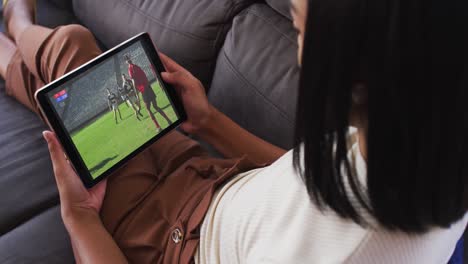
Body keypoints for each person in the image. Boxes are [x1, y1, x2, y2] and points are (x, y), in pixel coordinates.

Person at [0, 0, 466, 263]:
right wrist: (210, 123)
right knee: (83, 78)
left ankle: (15, 27)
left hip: (168, 240)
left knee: (71, 52)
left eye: (298, 30)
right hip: (213, 180)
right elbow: (304, 180)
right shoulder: (425, 141)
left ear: (353, 73)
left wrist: (80, 217)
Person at [125, 55, 172, 131]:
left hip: (144, 90)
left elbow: (133, 81)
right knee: (156, 106)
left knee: (148, 109)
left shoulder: (130, 69)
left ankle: (158, 127)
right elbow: (144, 76)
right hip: (148, 87)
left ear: (126, 62)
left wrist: (136, 93)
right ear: (130, 59)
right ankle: (169, 121)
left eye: (127, 59)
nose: (128, 60)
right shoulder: (137, 66)